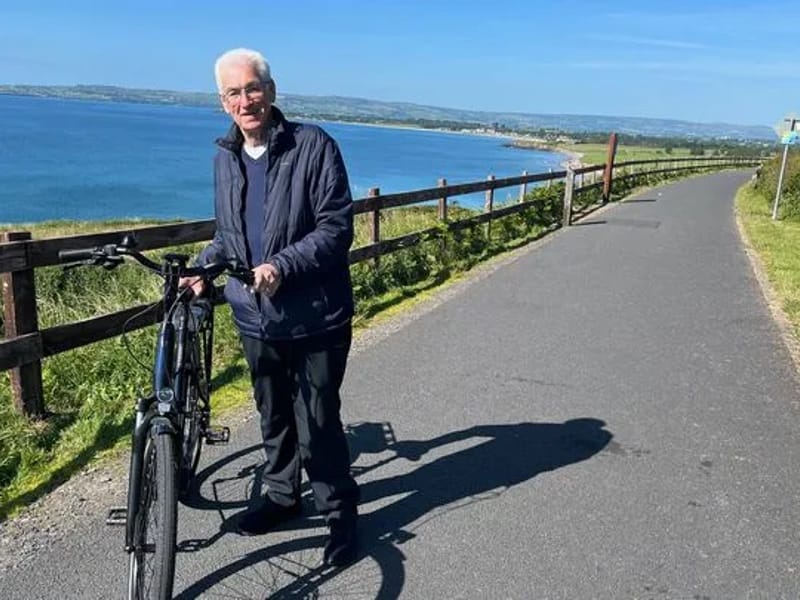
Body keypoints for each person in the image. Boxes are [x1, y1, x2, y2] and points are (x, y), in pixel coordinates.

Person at [183, 47, 359, 566]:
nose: (246, 101)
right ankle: (282, 496)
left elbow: (336, 227)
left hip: (316, 316)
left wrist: (282, 265)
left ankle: (339, 513)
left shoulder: (313, 145)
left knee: (318, 419)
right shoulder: (225, 157)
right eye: (234, 93)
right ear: (223, 102)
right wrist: (203, 268)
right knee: (273, 412)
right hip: (254, 316)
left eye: (253, 89)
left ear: (272, 91)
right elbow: (230, 236)